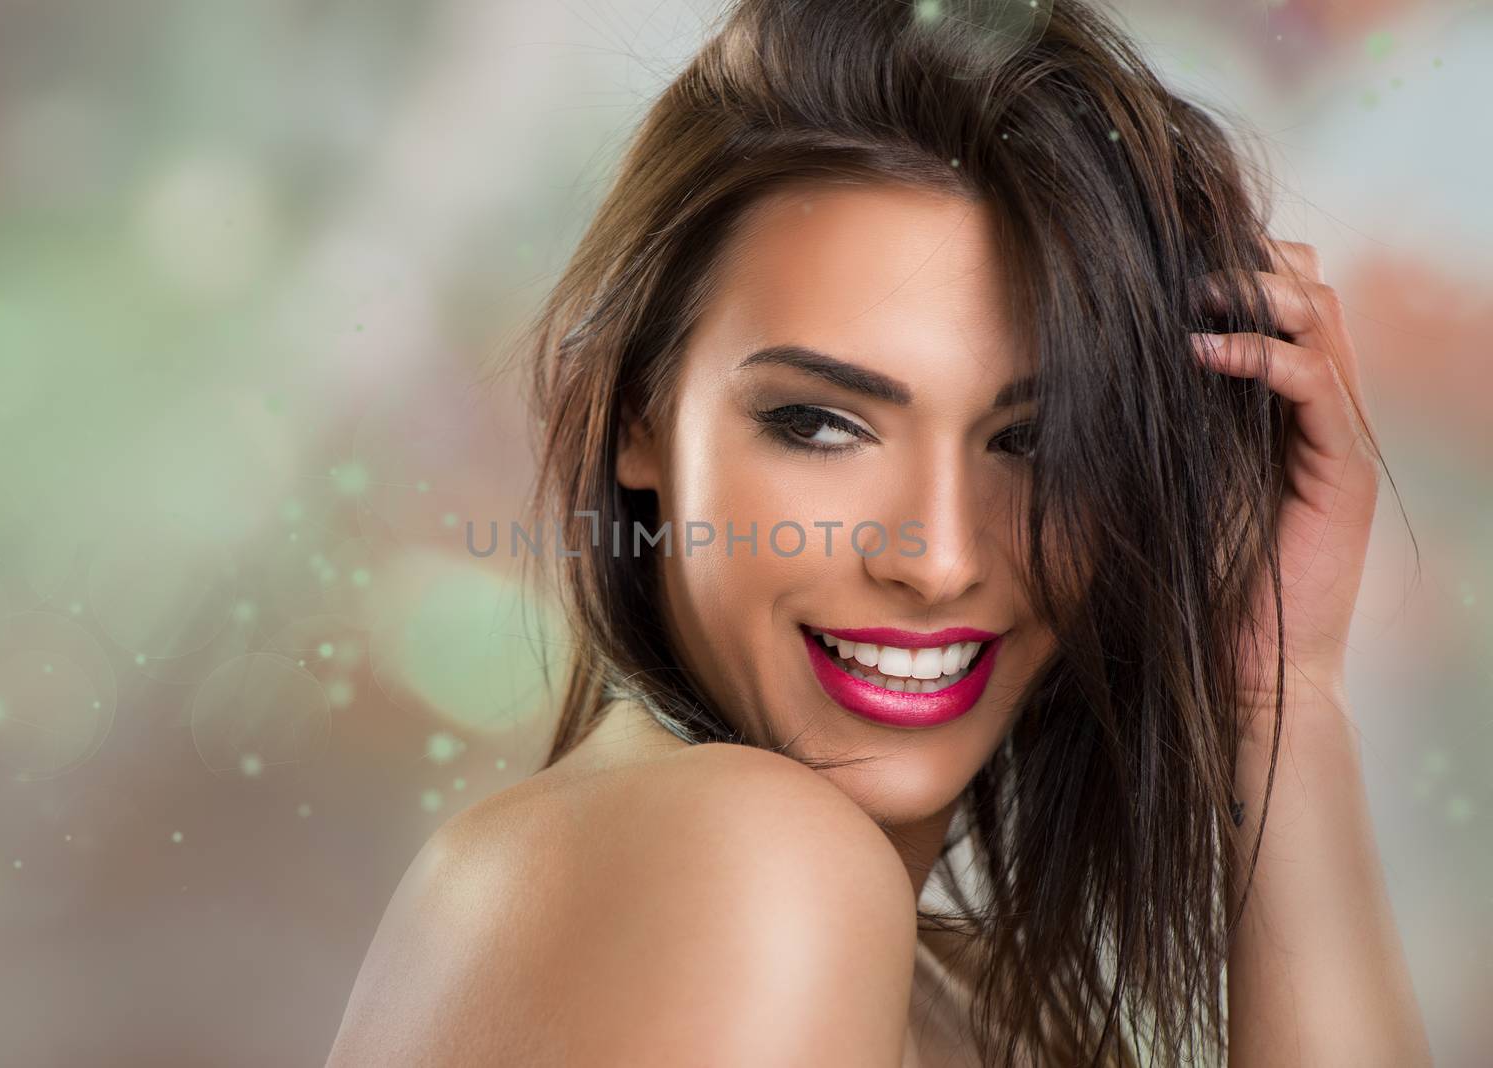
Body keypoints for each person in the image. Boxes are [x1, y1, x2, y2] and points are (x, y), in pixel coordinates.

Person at [326, 0, 1432, 1063]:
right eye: (818, 424)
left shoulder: (960, 988)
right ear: (636, 420)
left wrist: (1278, 688)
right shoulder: (753, 869)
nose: (936, 558)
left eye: (1036, 440)